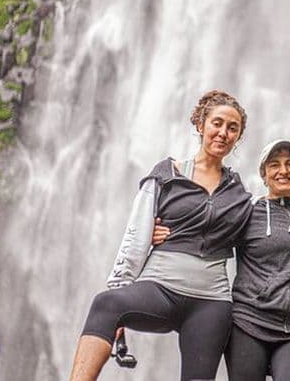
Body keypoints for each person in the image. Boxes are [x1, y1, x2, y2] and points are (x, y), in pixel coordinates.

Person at [69, 90, 254, 381]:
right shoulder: (166, 175)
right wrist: (120, 289)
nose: (223, 133)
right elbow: (135, 235)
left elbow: (265, 224)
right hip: (159, 288)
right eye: (217, 123)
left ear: (238, 137)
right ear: (201, 124)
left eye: (233, 128)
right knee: (106, 304)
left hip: (210, 303)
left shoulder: (240, 194)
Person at [153, 139, 290, 381]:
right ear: (263, 174)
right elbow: (206, 234)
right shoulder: (246, 212)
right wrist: (162, 232)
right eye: (274, 165)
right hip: (248, 324)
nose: (283, 170)